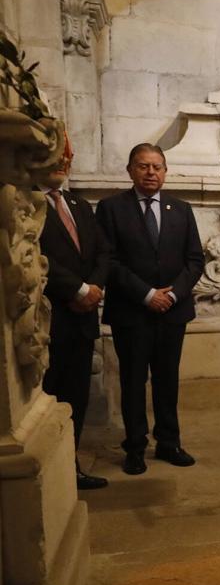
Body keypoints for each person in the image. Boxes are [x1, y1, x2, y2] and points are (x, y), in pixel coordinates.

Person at [97, 144, 203, 475]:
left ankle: (169, 442)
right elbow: (108, 260)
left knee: (167, 380)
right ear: (130, 170)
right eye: (143, 166)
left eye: (157, 166)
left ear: (166, 171)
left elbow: (195, 260)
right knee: (132, 380)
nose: (151, 172)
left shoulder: (181, 209)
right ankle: (135, 446)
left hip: (173, 311)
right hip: (132, 312)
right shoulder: (111, 209)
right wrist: (146, 294)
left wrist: (174, 295)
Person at [39, 136, 110, 490]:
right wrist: (79, 289)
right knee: (48, 397)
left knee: (75, 397)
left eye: (65, 159)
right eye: (54, 158)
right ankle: (47, 473)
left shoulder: (79, 205)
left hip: (83, 320)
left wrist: (95, 286)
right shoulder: (26, 206)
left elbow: (102, 252)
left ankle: (71, 466)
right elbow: (35, 257)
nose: (61, 165)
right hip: (51, 318)